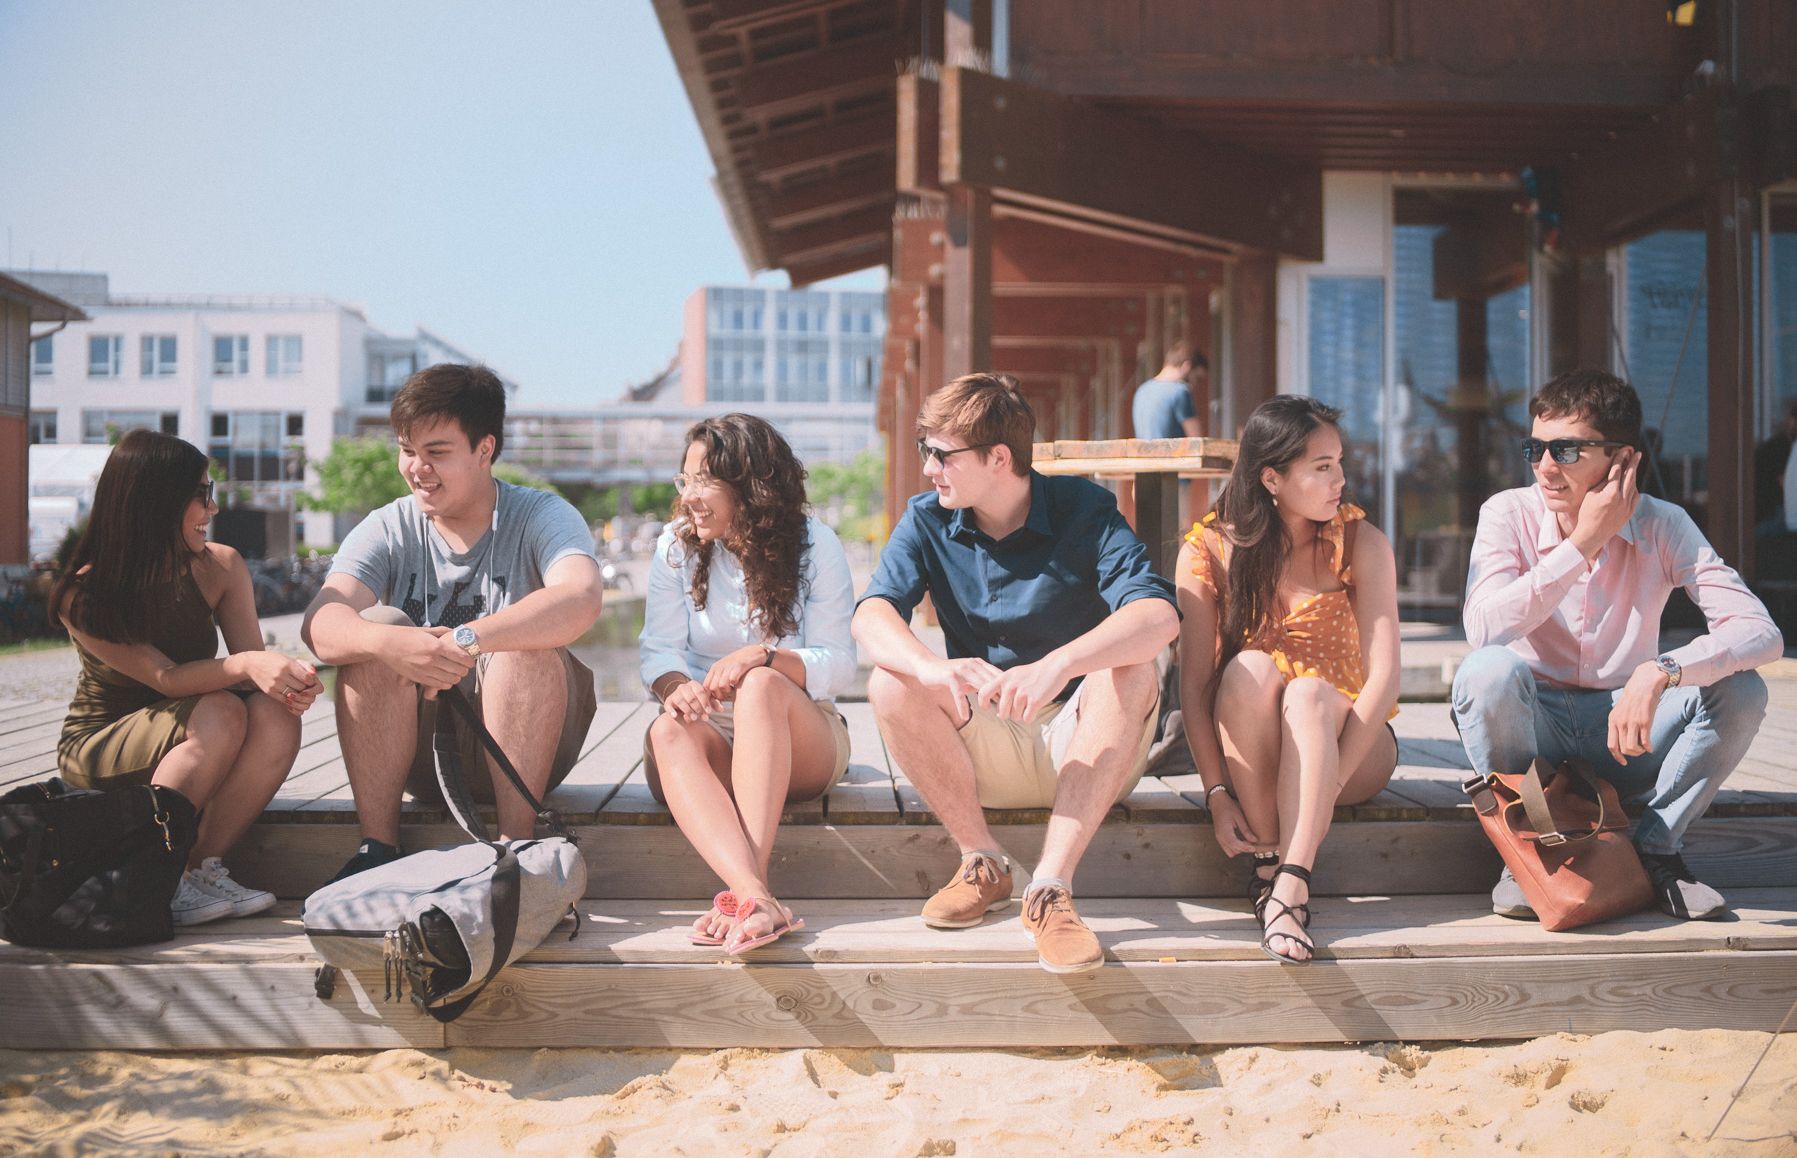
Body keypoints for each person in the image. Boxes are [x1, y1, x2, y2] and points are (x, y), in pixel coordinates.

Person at [853, 372, 1179, 975]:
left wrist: (1059, 665)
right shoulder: (926, 519)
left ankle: (1051, 890)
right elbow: (872, 616)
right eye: (927, 452)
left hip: (1085, 747)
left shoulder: (1086, 509)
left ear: (998, 457)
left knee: (1130, 669)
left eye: (941, 454)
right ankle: (984, 863)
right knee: (890, 679)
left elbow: (1157, 616)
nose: (928, 468)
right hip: (982, 752)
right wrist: (930, 666)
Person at [1453, 369, 1781, 921]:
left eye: (1565, 449)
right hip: (1535, 727)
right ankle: (1528, 844)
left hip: (1626, 732)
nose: (1544, 466)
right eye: (1534, 447)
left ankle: (1656, 848)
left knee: (1742, 689)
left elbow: (1759, 631)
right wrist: (1585, 540)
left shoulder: (1663, 523)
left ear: (1622, 459)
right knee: (1488, 672)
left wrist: (1661, 671)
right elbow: (1484, 629)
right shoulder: (1507, 512)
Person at [302, 364, 604, 881]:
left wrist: (469, 640)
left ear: (484, 450)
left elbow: (581, 594)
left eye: (436, 452)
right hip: (420, 757)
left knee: (520, 641)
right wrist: (390, 644)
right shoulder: (390, 525)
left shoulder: (540, 514)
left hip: (530, 751)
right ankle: (378, 848)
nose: (417, 468)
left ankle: (516, 849)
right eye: (407, 450)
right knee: (375, 629)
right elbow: (320, 623)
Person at [52, 430, 319, 925]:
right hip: (101, 744)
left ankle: (199, 869)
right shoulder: (86, 593)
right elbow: (167, 678)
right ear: (154, 501)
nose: (212, 508)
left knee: (273, 713)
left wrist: (287, 680)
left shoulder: (222, 567)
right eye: (201, 494)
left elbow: (251, 672)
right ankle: (159, 875)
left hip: (194, 729)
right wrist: (247, 667)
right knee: (219, 710)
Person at [1174, 395, 1400, 965]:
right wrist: (1216, 793)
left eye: (1340, 462)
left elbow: (1385, 682)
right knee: (1247, 668)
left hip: (1353, 745)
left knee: (1308, 693)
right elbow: (1196, 688)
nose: (1340, 480)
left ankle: (1287, 880)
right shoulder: (1207, 550)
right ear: (1272, 478)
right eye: (1322, 467)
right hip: (1257, 753)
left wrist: (1323, 787)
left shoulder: (1361, 542)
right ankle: (1272, 863)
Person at [639, 414, 857, 955]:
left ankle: (747, 890)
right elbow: (658, 650)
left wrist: (766, 656)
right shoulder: (675, 546)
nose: (688, 496)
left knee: (760, 685)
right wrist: (675, 688)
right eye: (684, 480)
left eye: (703, 481)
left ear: (750, 486)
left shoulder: (814, 545)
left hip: (800, 734)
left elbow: (841, 663)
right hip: (712, 734)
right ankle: (755, 898)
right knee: (667, 732)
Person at [1131, 343, 1207, 440]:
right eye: (1196, 377)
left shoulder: (1142, 390)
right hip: (1172, 453)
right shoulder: (1180, 391)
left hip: (1145, 454)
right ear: (1186, 366)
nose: (1195, 383)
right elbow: (1197, 440)